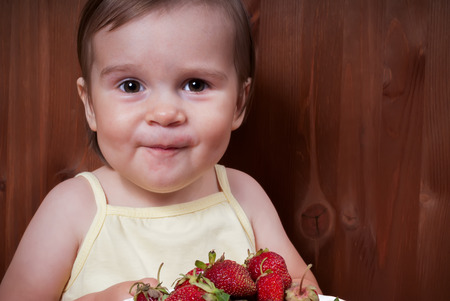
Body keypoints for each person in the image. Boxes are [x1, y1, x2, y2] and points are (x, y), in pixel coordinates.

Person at [0, 0, 321, 300]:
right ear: (90, 105)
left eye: (195, 84)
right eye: (131, 85)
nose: (165, 113)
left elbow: (302, 289)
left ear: (238, 102)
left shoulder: (244, 196)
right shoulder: (71, 208)